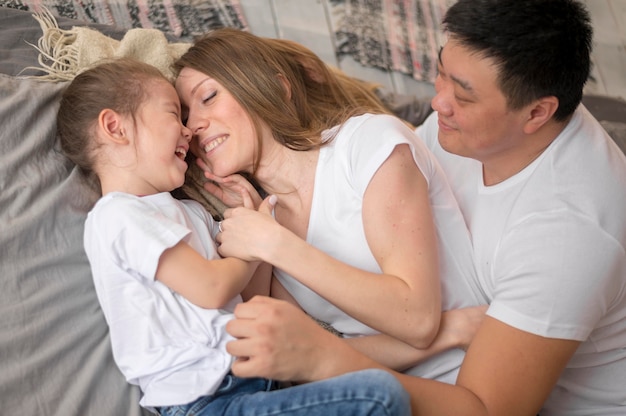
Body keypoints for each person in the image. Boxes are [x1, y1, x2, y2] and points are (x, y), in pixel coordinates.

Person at [199, 1, 626, 415]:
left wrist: (325, 361)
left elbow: (484, 408)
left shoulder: (570, 233)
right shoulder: (461, 130)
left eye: (463, 95)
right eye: (441, 72)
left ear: (536, 112)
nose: (438, 101)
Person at [56, 58, 412, 416]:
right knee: (381, 395)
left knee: (381, 393)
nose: (188, 130)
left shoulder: (191, 212)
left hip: (251, 385)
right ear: (115, 127)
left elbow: (249, 299)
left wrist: (255, 220)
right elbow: (213, 289)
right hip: (204, 401)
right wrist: (251, 244)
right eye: (172, 115)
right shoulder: (117, 215)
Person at [175, 27, 488, 381]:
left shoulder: (367, 145)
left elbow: (416, 318)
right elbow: (301, 362)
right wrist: (452, 332)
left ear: (275, 86)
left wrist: (274, 244)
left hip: (482, 380)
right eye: (184, 114)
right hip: (381, 398)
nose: (192, 126)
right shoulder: (259, 225)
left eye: (209, 96)